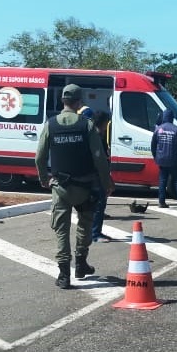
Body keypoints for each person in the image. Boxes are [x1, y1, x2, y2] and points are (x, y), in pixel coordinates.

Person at [36, 84, 115, 289]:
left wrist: (44, 178)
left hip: (60, 187)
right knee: (85, 225)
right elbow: (99, 158)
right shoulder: (86, 125)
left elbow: (39, 157)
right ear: (79, 102)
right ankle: (80, 264)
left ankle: (64, 275)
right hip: (84, 187)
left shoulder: (50, 125)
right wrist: (107, 183)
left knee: (61, 230)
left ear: (63, 101)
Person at [151, 109, 177, 209]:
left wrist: (155, 156)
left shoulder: (158, 129)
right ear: (172, 118)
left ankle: (161, 202)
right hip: (173, 159)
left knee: (162, 180)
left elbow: (153, 145)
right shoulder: (176, 129)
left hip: (161, 159)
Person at [90, 111, 113, 243]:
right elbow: (101, 159)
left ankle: (95, 231)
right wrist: (108, 180)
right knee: (99, 205)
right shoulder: (97, 136)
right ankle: (95, 233)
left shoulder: (94, 134)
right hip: (98, 175)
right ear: (104, 122)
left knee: (97, 205)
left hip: (95, 174)